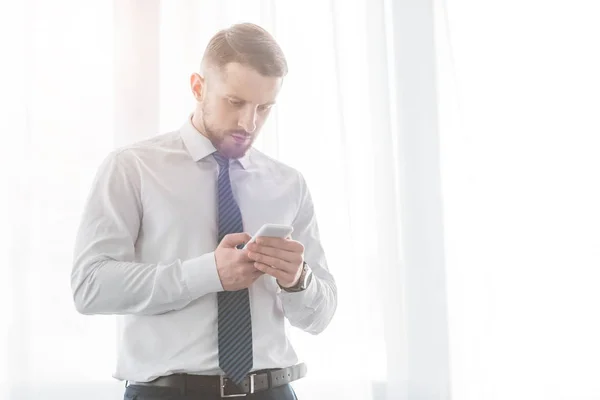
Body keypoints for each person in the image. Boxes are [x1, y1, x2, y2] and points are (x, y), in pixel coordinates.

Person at [71, 23, 337, 399]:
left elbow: (320, 316)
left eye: (264, 108)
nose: (249, 123)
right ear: (198, 87)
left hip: (272, 389)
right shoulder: (133, 168)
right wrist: (206, 273)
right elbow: (90, 287)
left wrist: (298, 279)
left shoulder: (288, 183)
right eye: (235, 102)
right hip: (167, 392)